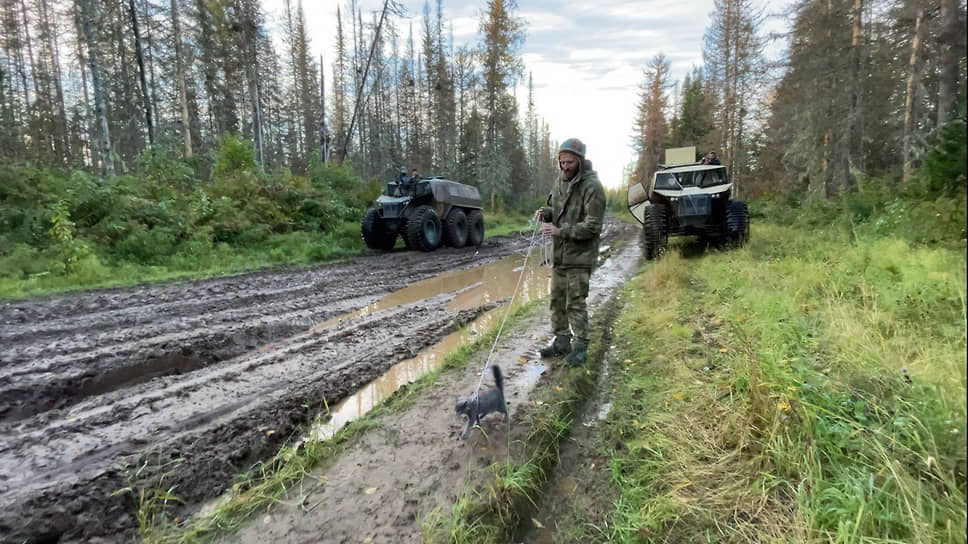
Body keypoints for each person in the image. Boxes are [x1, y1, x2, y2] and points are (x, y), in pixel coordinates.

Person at [533, 138, 606, 366]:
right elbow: (557, 209)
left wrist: (560, 230)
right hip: (560, 256)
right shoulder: (560, 181)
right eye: (562, 162)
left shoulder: (592, 187)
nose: (565, 166)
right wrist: (546, 213)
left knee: (575, 302)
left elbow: (593, 225)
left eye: (570, 162)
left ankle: (581, 346)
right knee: (557, 300)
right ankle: (562, 341)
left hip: (580, 256)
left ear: (580, 161)